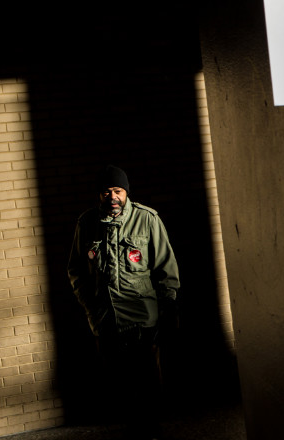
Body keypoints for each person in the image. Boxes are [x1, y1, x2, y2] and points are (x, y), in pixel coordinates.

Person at [67, 165, 180, 439]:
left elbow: (166, 269)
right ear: (100, 195)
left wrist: (167, 309)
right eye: (106, 192)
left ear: (126, 192)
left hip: (143, 317)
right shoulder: (87, 223)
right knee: (120, 382)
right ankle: (134, 428)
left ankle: (152, 429)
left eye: (117, 191)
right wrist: (91, 308)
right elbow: (76, 271)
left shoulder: (147, 219)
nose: (112, 197)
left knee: (149, 380)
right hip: (107, 319)